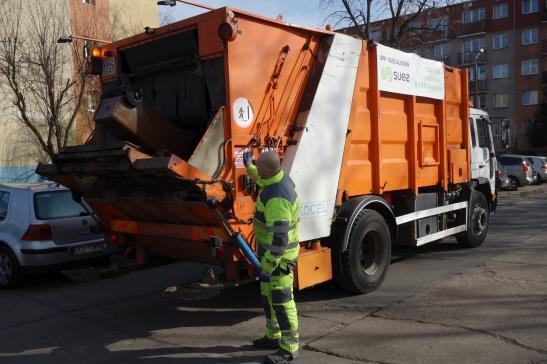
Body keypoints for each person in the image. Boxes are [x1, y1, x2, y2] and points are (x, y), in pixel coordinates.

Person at [243, 150, 301, 364]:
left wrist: (267, 265)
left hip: (279, 259)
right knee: (268, 297)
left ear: (267, 169)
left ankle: (289, 348)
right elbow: (260, 178)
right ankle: (272, 336)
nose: (257, 171)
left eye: (259, 167)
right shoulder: (275, 179)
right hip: (270, 256)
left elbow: (279, 240)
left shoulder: (277, 198)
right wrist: (249, 166)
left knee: (282, 300)